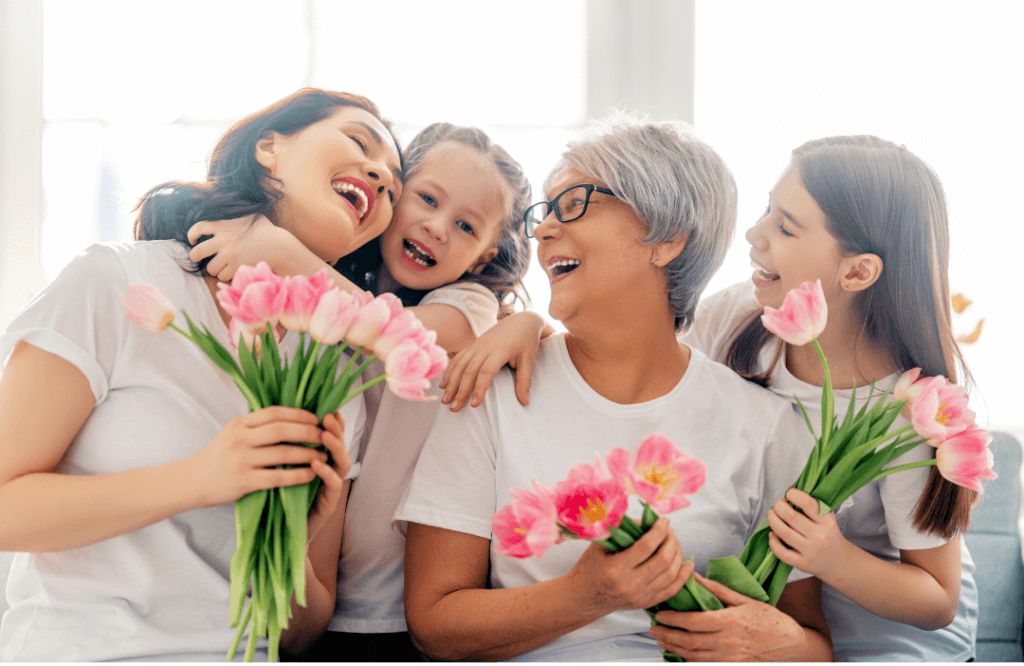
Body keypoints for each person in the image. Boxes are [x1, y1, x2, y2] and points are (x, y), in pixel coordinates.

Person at [441, 135, 978, 662]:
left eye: (786, 226)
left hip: (896, 631)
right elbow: (634, 350)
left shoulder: (913, 413)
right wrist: (527, 324)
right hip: (803, 607)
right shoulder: (747, 317)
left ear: (858, 270)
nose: (754, 232)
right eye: (768, 210)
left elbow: (937, 600)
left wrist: (830, 556)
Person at [396, 115, 832, 662]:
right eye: (544, 211)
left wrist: (780, 644)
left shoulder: (766, 427)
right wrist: (583, 597)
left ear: (667, 238)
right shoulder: (492, 392)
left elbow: (814, 645)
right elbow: (433, 623)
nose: (542, 229)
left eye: (574, 203)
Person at [0, 87, 401, 661]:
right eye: (360, 141)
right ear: (270, 147)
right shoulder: (116, 282)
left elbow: (303, 628)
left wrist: (294, 527)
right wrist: (200, 477)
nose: (381, 177)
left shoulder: (333, 377)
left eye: (392, 182)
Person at [186, 122, 532, 662]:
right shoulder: (340, 279)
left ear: (482, 259)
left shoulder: (469, 306)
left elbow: (391, 333)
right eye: (426, 199)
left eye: (466, 226)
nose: (438, 227)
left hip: (393, 609)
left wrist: (277, 249)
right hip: (310, 591)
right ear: (391, 197)